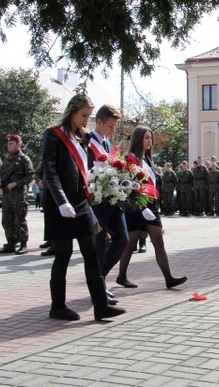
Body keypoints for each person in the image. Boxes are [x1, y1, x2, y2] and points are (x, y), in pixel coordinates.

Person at [42, 93, 125, 321]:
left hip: (80, 202)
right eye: (84, 115)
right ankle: (57, 306)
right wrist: (61, 202)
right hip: (60, 205)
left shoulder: (84, 137)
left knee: (90, 253)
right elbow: (49, 171)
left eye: (89, 116)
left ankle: (101, 306)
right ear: (72, 111)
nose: (86, 120)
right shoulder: (53, 135)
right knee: (63, 255)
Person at [114, 126, 187, 290]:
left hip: (151, 206)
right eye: (146, 138)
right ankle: (121, 276)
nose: (150, 141)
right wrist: (141, 207)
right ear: (138, 139)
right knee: (131, 242)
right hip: (135, 206)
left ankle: (169, 278)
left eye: (151, 138)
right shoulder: (130, 159)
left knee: (158, 241)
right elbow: (129, 187)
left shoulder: (147, 160)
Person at [86, 104, 130, 294]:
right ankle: (98, 288)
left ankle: (100, 279)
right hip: (97, 200)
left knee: (123, 238)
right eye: (110, 126)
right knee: (99, 244)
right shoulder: (88, 143)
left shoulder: (106, 144)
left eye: (114, 127)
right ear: (99, 122)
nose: (112, 130)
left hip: (112, 198)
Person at [0, 134, 34, 255]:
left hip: (18, 195)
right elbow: (2, 173)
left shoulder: (24, 159)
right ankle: (11, 242)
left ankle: (23, 243)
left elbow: (30, 176)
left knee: (20, 219)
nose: (9, 145)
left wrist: (17, 183)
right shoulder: (7, 159)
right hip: (7, 195)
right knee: (7, 219)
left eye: (11, 143)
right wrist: (0, 181)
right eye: (8, 143)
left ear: (19, 144)